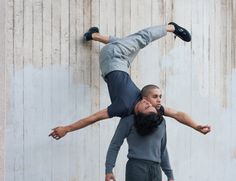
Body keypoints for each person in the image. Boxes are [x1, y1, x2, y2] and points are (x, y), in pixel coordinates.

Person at [49, 23, 211, 140]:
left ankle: (171, 27)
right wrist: (196, 126)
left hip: (113, 57)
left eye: (147, 106)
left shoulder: (123, 107)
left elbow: (92, 118)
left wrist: (66, 129)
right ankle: (93, 35)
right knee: (125, 42)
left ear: (138, 112)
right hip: (119, 63)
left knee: (141, 39)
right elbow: (177, 114)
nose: (149, 102)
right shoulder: (148, 110)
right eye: (152, 104)